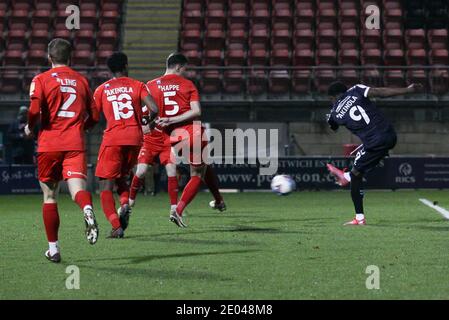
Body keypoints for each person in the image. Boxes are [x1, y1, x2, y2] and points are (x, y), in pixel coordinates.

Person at [24, 38, 100, 263]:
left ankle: (54, 249)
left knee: (50, 196)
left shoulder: (41, 79)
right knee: (77, 189)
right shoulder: (82, 81)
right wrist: (82, 128)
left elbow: (35, 109)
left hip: (50, 144)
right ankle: (87, 207)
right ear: (70, 57)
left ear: (49, 57)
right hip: (74, 143)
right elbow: (95, 116)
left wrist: (30, 126)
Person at [326, 81, 423, 226]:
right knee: (358, 172)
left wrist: (331, 117)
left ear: (333, 97)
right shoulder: (356, 90)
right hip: (389, 135)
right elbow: (380, 92)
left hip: (374, 143)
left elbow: (333, 126)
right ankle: (349, 183)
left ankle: (356, 209)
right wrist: (407, 90)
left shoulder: (335, 113)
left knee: (355, 174)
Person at [153, 53, 225, 228]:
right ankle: (177, 210)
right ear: (178, 66)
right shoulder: (187, 84)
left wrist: (164, 121)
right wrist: (174, 119)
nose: (185, 72)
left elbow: (149, 114)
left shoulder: (151, 86)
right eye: (184, 68)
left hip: (174, 138)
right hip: (192, 132)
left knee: (204, 165)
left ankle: (219, 201)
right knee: (197, 174)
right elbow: (196, 111)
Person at [94, 52, 158, 238]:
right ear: (126, 66)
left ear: (109, 70)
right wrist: (146, 121)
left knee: (104, 186)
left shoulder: (101, 89)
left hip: (113, 138)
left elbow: (94, 116)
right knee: (121, 177)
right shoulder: (138, 85)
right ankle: (124, 204)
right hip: (135, 138)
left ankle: (116, 226)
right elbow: (154, 109)